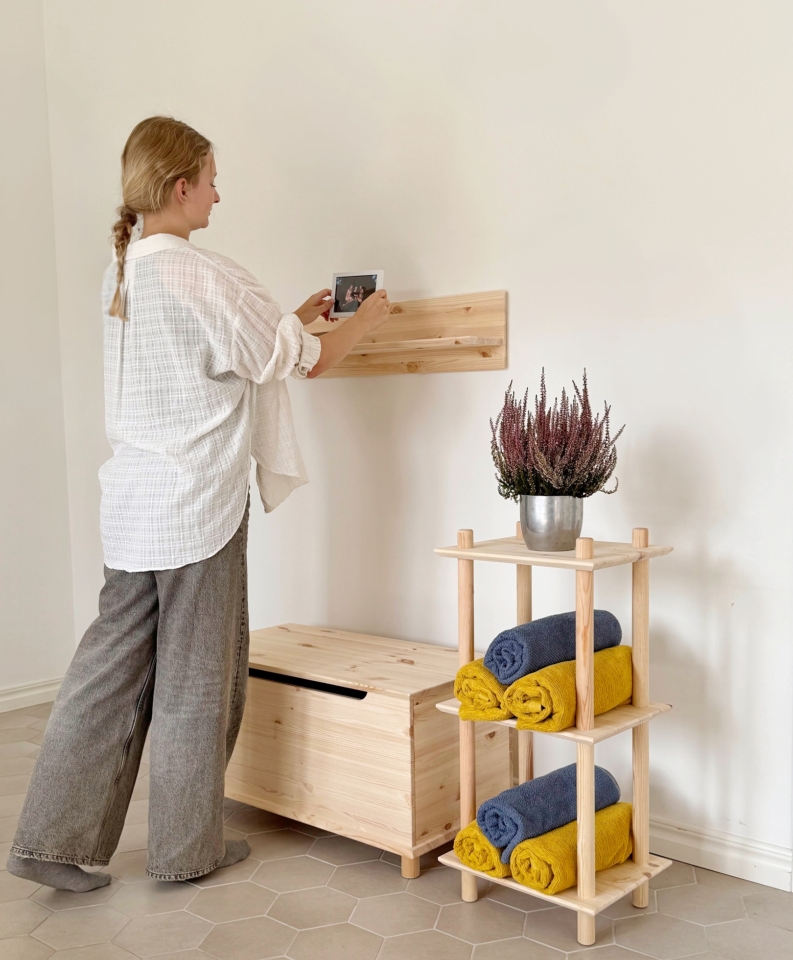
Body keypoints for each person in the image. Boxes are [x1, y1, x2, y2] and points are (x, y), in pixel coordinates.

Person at [6, 116, 391, 891]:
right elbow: (298, 364)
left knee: (104, 672)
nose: (220, 192)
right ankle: (186, 850)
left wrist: (296, 313)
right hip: (197, 512)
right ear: (180, 187)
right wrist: (365, 322)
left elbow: (218, 349)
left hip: (133, 510)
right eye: (211, 179)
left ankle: (48, 840)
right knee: (194, 680)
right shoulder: (197, 271)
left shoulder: (121, 270)